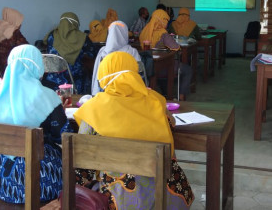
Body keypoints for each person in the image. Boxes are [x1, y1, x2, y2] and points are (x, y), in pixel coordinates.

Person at [73, 51, 194, 209]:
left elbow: (83, 161)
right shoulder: (156, 101)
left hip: (117, 197)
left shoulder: (93, 109)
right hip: (164, 193)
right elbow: (171, 124)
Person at [0, 44, 75, 204]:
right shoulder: (46, 96)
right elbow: (64, 137)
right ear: (37, 65)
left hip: (1, 182)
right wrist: (59, 112)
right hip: (43, 182)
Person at [140, 9, 192, 101]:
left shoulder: (144, 31)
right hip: (160, 67)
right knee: (187, 70)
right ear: (161, 20)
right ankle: (181, 96)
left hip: (145, 67)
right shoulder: (163, 33)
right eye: (166, 20)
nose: (167, 23)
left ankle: (164, 92)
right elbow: (176, 47)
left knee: (163, 69)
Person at [43, 12, 98, 94]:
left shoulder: (51, 36)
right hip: (74, 81)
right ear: (75, 23)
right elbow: (93, 55)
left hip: (52, 80)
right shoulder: (82, 38)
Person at [91, 20, 141, 95]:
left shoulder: (103, 51)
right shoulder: (132, 52)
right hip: (128, 92)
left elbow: (97, 74)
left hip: (104, 91)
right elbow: (139, 72)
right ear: (125, 33)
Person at [0, 7, 29, 87]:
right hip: (8, 74)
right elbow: (28, 49)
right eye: (19, 22)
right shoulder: (13, 32)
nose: (20, 25)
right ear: (14, 20)